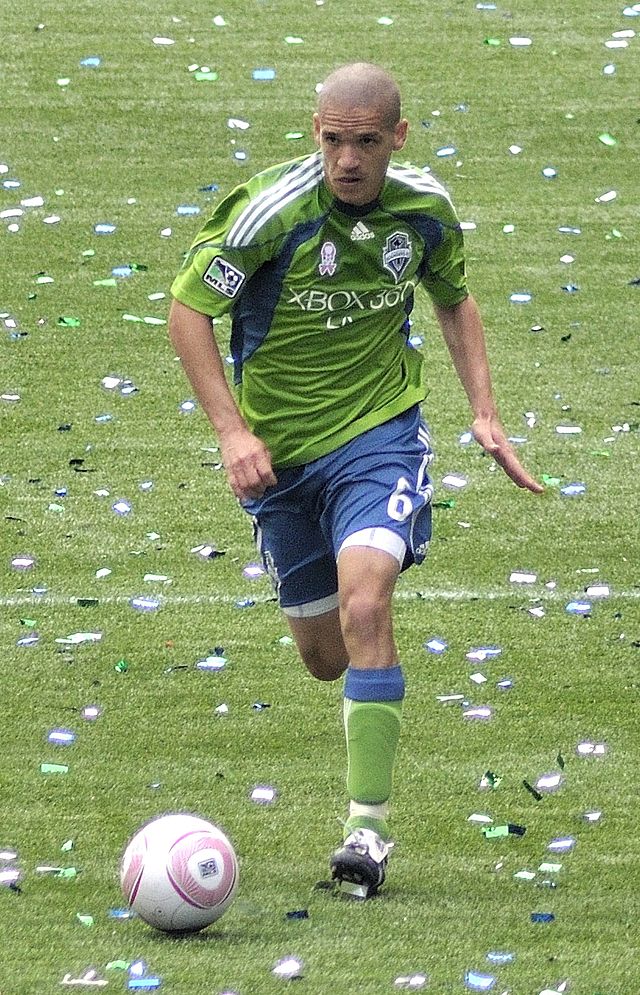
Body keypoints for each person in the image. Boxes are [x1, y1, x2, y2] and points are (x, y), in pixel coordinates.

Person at [169, 62, 543, 898]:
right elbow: (187, 310)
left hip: (380, 437)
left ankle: (366, 832)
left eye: (365, 142)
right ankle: (343, 590)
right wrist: (232, 432)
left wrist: (485, 411)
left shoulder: (424, 209)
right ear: (316, 132)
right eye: (333, 139)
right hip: (280, 461)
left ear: (396, 138)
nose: (346, 159)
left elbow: (454, 296)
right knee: (325, 656)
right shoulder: (270, 212)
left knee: (368, 602)